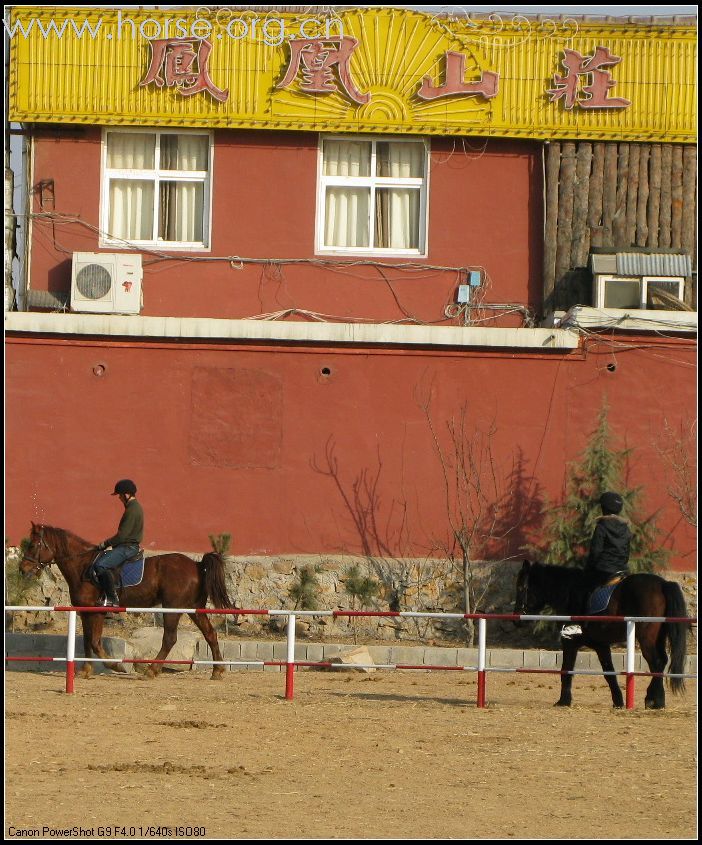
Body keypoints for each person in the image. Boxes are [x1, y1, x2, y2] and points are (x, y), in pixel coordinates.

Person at [561, 491, 631, 639]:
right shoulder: (626, 528)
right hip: (622, 571)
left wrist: (588, 569)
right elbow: (627, 552)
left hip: (604, 570)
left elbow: (595, 552)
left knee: (580, 588)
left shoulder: (602, 526)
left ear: (603, 508)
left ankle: (578, 626)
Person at [92, 479, 144, 607]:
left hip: (127, 547)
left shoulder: (132, 509)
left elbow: (122, 536)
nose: (119, 498)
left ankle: (112, 598)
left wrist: (105, 543)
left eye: (120, 495)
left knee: (100, 565)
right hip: (126, 546)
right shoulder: (133, 507)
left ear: (127, 494)